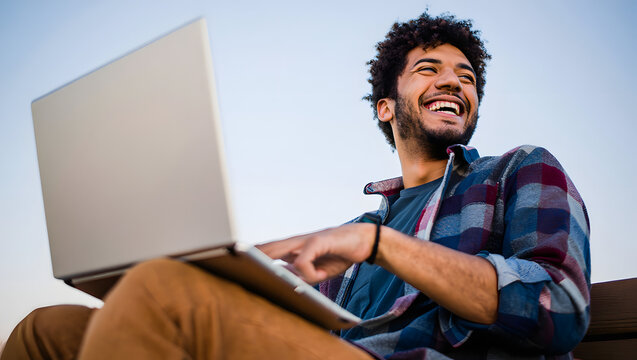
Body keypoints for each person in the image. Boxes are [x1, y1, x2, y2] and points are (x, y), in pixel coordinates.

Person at [2, 11, 590, 360]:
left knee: (161, 292)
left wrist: (387, 248)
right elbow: (287, 311)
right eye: (429, 70)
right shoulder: (363, 232)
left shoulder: (519, 170)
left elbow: (559, 306)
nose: (454, 83)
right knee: (45, 331)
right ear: (386, 108)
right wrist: (225, 267)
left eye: (466, 77)